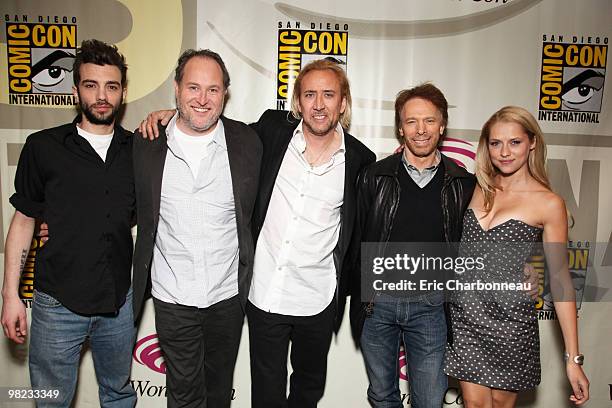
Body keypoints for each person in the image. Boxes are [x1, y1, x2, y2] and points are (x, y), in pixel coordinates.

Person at [139, 59, 375, 408]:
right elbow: (207, 124)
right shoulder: (269, 131)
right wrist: (170, 115)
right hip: (265, 293)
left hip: (319, 297)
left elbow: (361, 229)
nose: (319, 104)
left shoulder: (360, 160)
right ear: (297, 102)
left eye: (329, 94)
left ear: (343, 102)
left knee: (309, 389)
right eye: (310, 94)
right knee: (265, 392)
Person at [1, 39, 136, 407]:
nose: (102, 96)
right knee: (51, 401)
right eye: (91, 85)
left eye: (111, 86)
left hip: (118, 302)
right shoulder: (43, 147)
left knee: (120, 395)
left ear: (123, 92)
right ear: (76, 90)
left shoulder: (138, 150)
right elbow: (24, 221)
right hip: (57, 303)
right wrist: (10, 294)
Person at [131, 49, 262, 408]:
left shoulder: (248, 142)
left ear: (225, 94)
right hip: (173, 296)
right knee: (184, 394)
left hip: (227, 296)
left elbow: (303, 124)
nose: (202, 99)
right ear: (176, 89)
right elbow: (117, 202)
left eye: (213, 90)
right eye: (193, 87)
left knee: (219, 393)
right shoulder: (145, 143)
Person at [443, 106, 589, 407]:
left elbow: (561, 280)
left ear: (532, 142)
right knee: (474, 405)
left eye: (515, 142)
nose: (504, 152)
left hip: (510, 322)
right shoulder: (475, 186)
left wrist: (573, 358)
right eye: (496, 143)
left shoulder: (548, 203)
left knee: (500, 405)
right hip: (466, 315)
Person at [349, 83, 476, 408]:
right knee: (381, 394)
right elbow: (358, 237)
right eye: (411, 121)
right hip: (378, 304)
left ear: (442, 125)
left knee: (431, 400)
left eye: (429, 121)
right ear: (400, 128)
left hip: (431, 307)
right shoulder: (374, 177)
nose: (421, 130)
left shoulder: (462, 183)